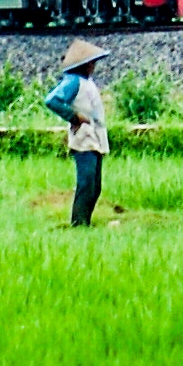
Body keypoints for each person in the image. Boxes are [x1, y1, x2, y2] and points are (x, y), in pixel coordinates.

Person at [44, 39, 111, 227]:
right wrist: (74, 117)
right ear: (84, 65)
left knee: (94, 185)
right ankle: (79, 223)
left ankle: (85, 221)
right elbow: (52, 100)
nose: (93, 66)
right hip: (84, 139)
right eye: (91, 63)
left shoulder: (85, 82)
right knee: (86, 183)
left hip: (94, 138)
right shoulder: (73, 82)